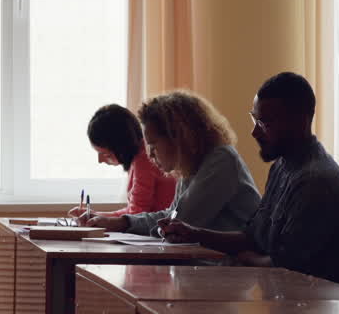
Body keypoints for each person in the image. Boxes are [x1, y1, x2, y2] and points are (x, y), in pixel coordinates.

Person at [160, 72, 339, 285]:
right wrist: (193, 234)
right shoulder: (281, 167)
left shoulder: (316, 181)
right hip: (284, 297)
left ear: (299, 121)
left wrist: (247, 259)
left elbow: (289, 266)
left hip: (313, 304)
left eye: (264, 123)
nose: (255, 132)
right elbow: (253, 238)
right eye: (254, 119)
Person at [81, 90, 260, 237]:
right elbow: (171, 215)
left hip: (232, 271)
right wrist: (120, 222)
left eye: (153, 144)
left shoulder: (221, 161)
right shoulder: (192, 166)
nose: (150, 154)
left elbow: (180, 223)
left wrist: (123, 223)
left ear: (178, 136)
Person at [71, 104, 175, 219]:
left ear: (121, 147)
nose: (100, 161)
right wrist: (95, 215)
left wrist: (97, 217)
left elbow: (136, 215)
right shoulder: (139, 157)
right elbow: (133, 212)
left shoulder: (144, 160)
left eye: (106, 154)